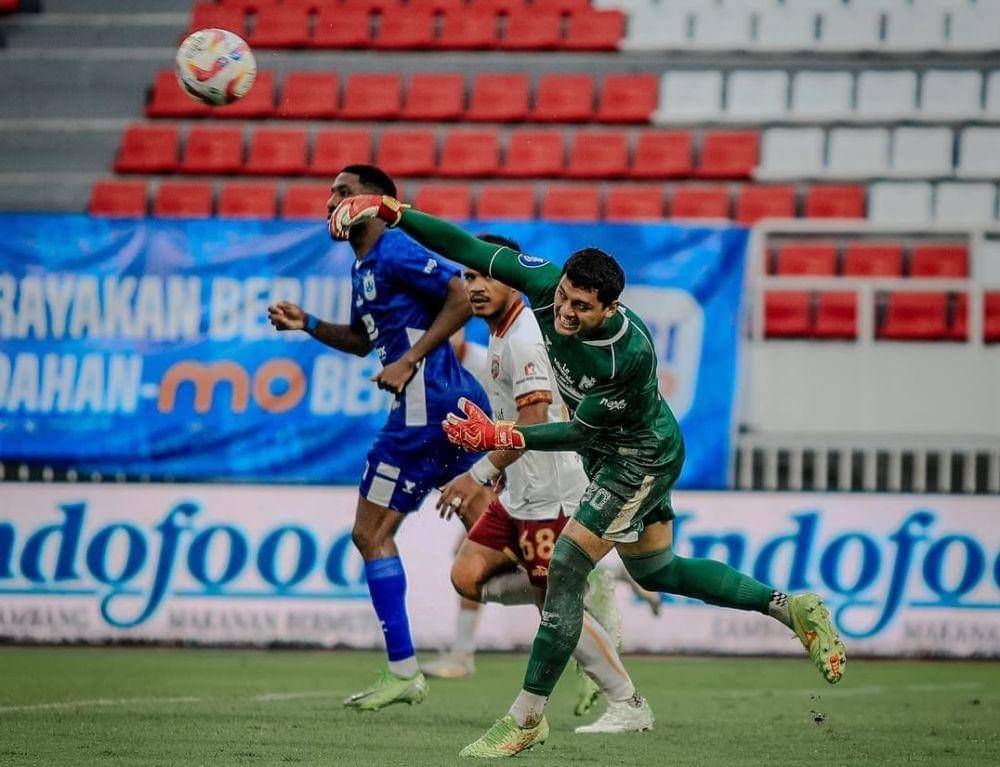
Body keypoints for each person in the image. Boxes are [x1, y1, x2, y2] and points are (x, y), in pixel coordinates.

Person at [328, 195, 848, 757]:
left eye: (581, 307)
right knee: (660, 569)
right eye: (565, 298)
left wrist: (499, 439)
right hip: (618, 452)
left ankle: (527, 716)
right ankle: (787, 606)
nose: (566, 313)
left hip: (638, 458)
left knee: (568, 564)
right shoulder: (547, 290)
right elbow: (467, 247)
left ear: (609, 308)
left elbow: (580, 433)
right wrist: (393, 208)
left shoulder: (624, 358)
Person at [267, 166, 490, 712]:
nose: (331, 200)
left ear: (378, 201)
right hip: (445, 406)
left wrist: (410, 361)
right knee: (494, 543)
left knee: (370, 535)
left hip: (424, 409)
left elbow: (460, 298)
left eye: (343, 191)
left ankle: (402, 670)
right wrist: (310, 324)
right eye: (330, 192)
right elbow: (364, 343)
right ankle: (588, 638)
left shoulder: (394, 249)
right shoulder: (365, 267)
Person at [426, 236, 653, 734]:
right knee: (467, 574)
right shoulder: (501, 335)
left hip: (552, 492)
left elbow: (532, 416)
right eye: (468, 277)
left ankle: (628, 702)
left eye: (487, 275)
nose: (477, 286)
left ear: (514, 280)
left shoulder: (527, 335)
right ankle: (581, 593)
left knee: (553, 607)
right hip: (519, 493)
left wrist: (480, 471)